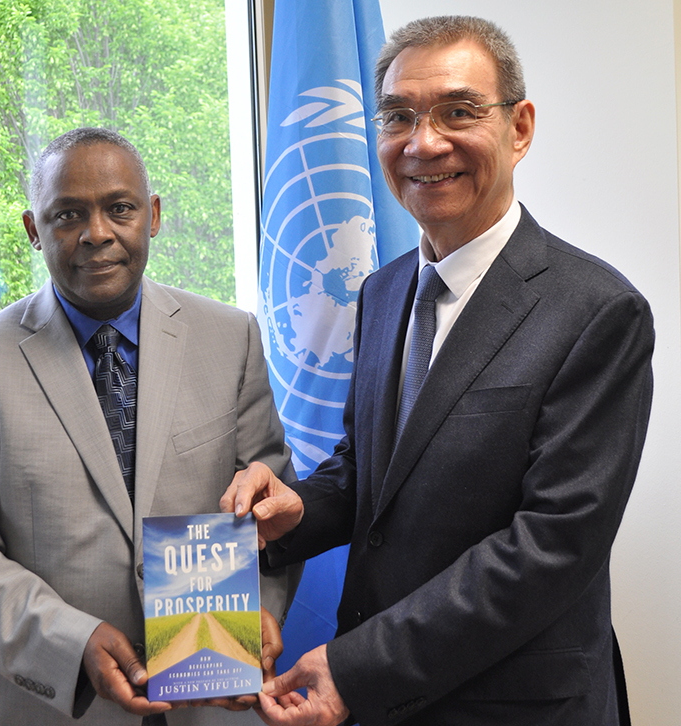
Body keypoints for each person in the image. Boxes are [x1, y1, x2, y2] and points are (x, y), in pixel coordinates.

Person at [223, 15, 654, 726]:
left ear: (519, 127)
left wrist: (361, 666)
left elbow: (551, 547)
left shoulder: (599, 312)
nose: (423, 142)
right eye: (397, 116)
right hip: (386, 701)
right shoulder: (382, 292)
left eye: (457, 111)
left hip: (515, 708)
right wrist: (299, 510)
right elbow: (370, 472)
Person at [0, 127, 297, 726]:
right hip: (57, 706)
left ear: (154, 216)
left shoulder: (232, 337)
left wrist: (259, 615)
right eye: (67, 214)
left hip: (216, 700)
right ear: (34, 230)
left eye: (120, 208)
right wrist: (73, 645)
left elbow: (273, 510)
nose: (97, 234)